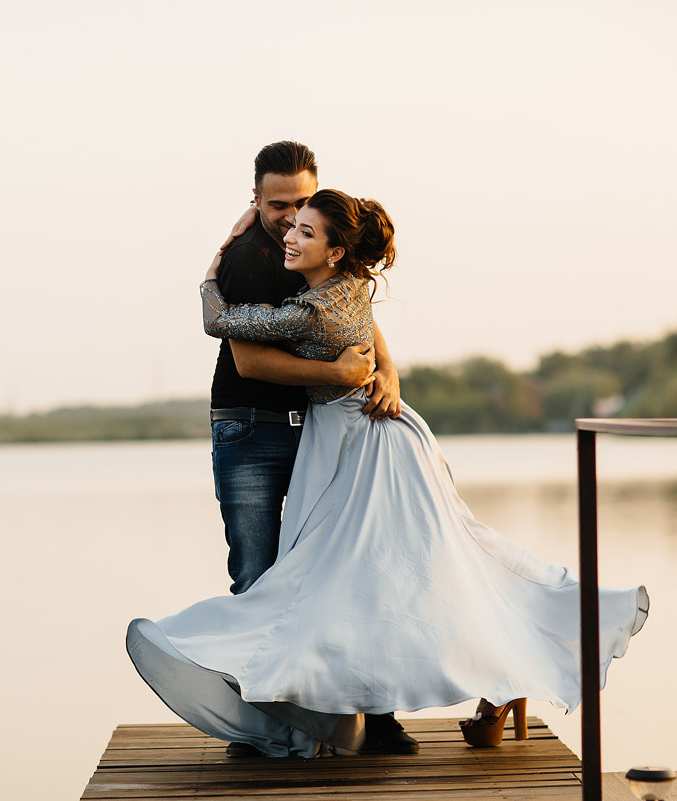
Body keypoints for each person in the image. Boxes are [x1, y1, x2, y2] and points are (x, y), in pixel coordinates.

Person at [127, 189, 648, 758]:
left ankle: (466, 685)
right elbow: (357, 348)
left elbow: (220, 321)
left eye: (305, 231)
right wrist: (361, 369)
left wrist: (212, 267)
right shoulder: (349, 287)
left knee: (371, 581)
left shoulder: (313, 307)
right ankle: (483, 685)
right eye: (290, 225)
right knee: (417, 574)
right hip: (370, 436)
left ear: (335, 250)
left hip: (363, 444)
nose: (290, 237)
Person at [206, 142, 415, 756]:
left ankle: (370, 715)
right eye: (277, 205)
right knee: (258, 571)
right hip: (252, 429)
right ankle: (261, 719)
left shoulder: (324, 239)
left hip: (319, 432)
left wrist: (387, 373)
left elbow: (361, 316)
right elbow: (248, 356)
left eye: (300, 203)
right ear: (256, 200)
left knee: (349, 566)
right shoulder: (247, 259)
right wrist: (346, 377)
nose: (288, 217)